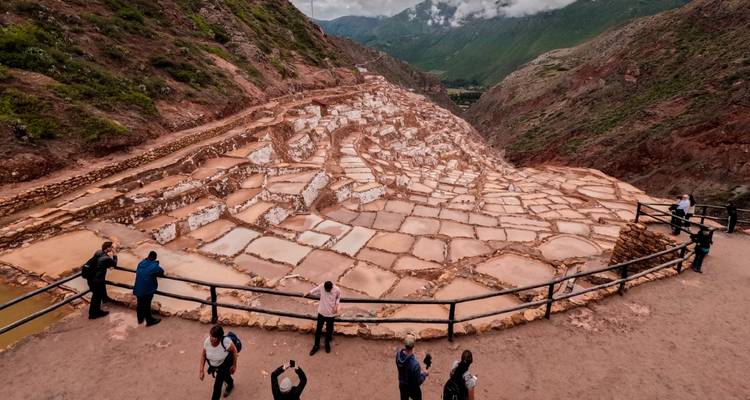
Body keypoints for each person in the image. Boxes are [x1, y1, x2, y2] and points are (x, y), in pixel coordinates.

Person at [200, 325, 238, 399]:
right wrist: (201, 370)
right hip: (214, 365)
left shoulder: (226, 342)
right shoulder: (207, 341)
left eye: (213, 337)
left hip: (224, 364)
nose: (210, 338)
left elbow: (234, 352)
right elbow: (203, 355)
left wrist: (234, 365)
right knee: (225, 376)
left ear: (219, 338)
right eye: (210, 335)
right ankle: (230, 384)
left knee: (217, 385)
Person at [304, 280, 340, 355]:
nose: (326, 291)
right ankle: (316, 346)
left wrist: (336, 306)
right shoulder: (322, 286)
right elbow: (315, 289)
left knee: (329, 330)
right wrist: (308, 293)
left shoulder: (337, 289)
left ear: (331, 288)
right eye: (325, 289)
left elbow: (338, 297)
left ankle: (327, 344)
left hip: (331, 314)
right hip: (321, 313)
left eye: (328, 290)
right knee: (318, 330)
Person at [133, 250, 164, 326]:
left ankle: (140, 319)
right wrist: (156, 264)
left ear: (148, 256)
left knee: (140, 304)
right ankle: (149, 321)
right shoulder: (154, 266)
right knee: (147, 305)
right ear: (155, 258)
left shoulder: (140, 263)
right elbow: (161, 272)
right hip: (147, 289)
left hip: (137, 287)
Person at [88, 241, 118, 319]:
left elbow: (98, 263)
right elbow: (114, 263)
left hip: (91, 278)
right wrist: (114, 254)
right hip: (98, 280)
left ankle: (93, 312)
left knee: (95, 296)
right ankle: (95, 314)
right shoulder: (106, 258)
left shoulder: (98, 252)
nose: (112, 248)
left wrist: (107, 265)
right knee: (97, 297)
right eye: (111, 247)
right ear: (107, 248)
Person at [396, 334, 428, 400]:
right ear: (413, 345)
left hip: (402, 385)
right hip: (412, 388)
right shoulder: (415, 364)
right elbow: (418, 382)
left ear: (405, 344)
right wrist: (424, 374)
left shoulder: (398, 355)